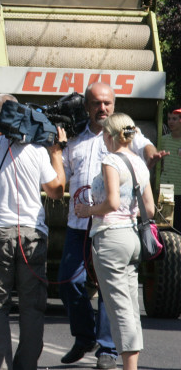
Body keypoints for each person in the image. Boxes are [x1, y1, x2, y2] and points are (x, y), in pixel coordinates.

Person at [59, 82, 164, 370]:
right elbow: (60, 179)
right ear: (86, 106)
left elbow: (145, 147)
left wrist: (152, 153)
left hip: (108, 230)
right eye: (96, 103)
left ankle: (108, 349)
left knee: (112, 294)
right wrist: (55, 150)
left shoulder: (125, 135)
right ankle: (85, 336)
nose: (102, 108)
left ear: (114, 106)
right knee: (69, 281)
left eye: (107, 103)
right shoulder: (75, 139)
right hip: (80, 226)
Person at [0, 94, 66, 370]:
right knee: (32, 306)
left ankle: (2, 366)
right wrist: (57, 153)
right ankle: (26, 365)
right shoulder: (37, 150)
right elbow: (56, 191)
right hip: (32, 236)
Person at [74, 113, 154, 370]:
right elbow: (149, 209)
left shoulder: (110, 160)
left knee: (118, 307)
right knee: (130, 306)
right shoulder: (139, 162)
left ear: (109, 136)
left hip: (110, 237)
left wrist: (87, 210)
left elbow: (111, 202)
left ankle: (129, 367)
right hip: (132, 236)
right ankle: (132, 365)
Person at [159, 108, 181, 231]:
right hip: (166, 188)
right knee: (164, 225)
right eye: (169, 119)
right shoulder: (163, 140)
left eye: (174, 119)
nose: (170, 122)